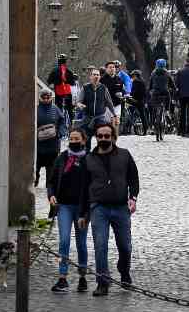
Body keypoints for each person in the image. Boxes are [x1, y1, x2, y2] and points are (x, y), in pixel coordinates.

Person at [79, 121, 139, 297]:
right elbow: (83, 188)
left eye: (107, 136)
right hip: (99, 207)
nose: (103, 139)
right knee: (100, 245)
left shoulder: (124, 155)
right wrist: (83, 214)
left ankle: (124, 271)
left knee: (125, 246)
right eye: (100, 136)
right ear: (96, 137)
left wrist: (133, 198)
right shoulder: (88, 159)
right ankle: (102, 282)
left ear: (113, 137)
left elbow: (134, 179)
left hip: (121, 207)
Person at [48, 128, 90, 294]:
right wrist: (51, 195)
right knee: (64, 241)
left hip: (81, 208)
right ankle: (62, 277)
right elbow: (51, 181)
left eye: (76, 138)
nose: (73, 141)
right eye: (71, 138)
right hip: (64, 206)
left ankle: (82, 277)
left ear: (83, 140)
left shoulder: (88, 160)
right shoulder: (62, 158)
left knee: (81, 244)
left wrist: (87, 211)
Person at [77, 67, 114, 151]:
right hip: (88, 117)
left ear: (100, 77)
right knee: (87, 139)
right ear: (90, 77)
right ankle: (86, 156)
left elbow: (109, 102)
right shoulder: (85, 88)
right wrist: (80, 105)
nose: (96, 76)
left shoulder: (103, 88)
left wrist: (114, 115)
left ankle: (102, 155)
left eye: (98, 75)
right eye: (94, 75)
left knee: (102, 139)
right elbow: (79, 101)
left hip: (100, 117)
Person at [35, 88, 65, 187]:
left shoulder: (56, 109)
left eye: (48, 97)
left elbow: (62, 121)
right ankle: (35, 182)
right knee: (36, 167)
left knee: (51, 168)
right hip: (38, 145)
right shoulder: (35, 109)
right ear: (40, 98)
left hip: (53, 144)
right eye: (44, 97)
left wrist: (60, 132)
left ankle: (49, 187)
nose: (46, 99)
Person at [47, 55, 78, 123]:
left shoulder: (54, 70)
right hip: (67, 92)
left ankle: (58, 122)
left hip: (59, 92)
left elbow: (49, 81)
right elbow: (72, 83)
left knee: (58, 108)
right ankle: (71, 122)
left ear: (58, 61)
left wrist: (54, 82)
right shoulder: (69, 71)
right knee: (69, 109)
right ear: (65, 62)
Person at [147, 59, 172, 134]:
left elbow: (150, 84)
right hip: (165, 92)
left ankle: (152, 124)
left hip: (155, 93)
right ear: (164, 65)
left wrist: (150, 89)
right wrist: (174, 88)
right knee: (168, 98)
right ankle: (167, 111)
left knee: (153, 107)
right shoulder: (167, 73)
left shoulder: (153, 73)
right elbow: (171, 83)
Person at [101, 61, 125, 127]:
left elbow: (123, 90)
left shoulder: (119, 79)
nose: (112, 69)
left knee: (116, 121)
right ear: (106, 69)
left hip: (117, 104)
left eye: (113, 67)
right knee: (108, 123)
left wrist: (121, 93)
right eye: (110, 67)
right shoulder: (102, 80)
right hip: (106, 105)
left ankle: (114, 136)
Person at [129, 69, 147, 135]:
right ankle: (145, 130)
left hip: (135, 101)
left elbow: (134, 91)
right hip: (142, 101)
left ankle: (129, 126)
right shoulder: (143, 81)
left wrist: (130, 95)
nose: (132, 77)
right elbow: (145, 92)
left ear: (136, 76)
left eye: (133, 76)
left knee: (127, 107)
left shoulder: (135, 82)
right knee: (143, 116)